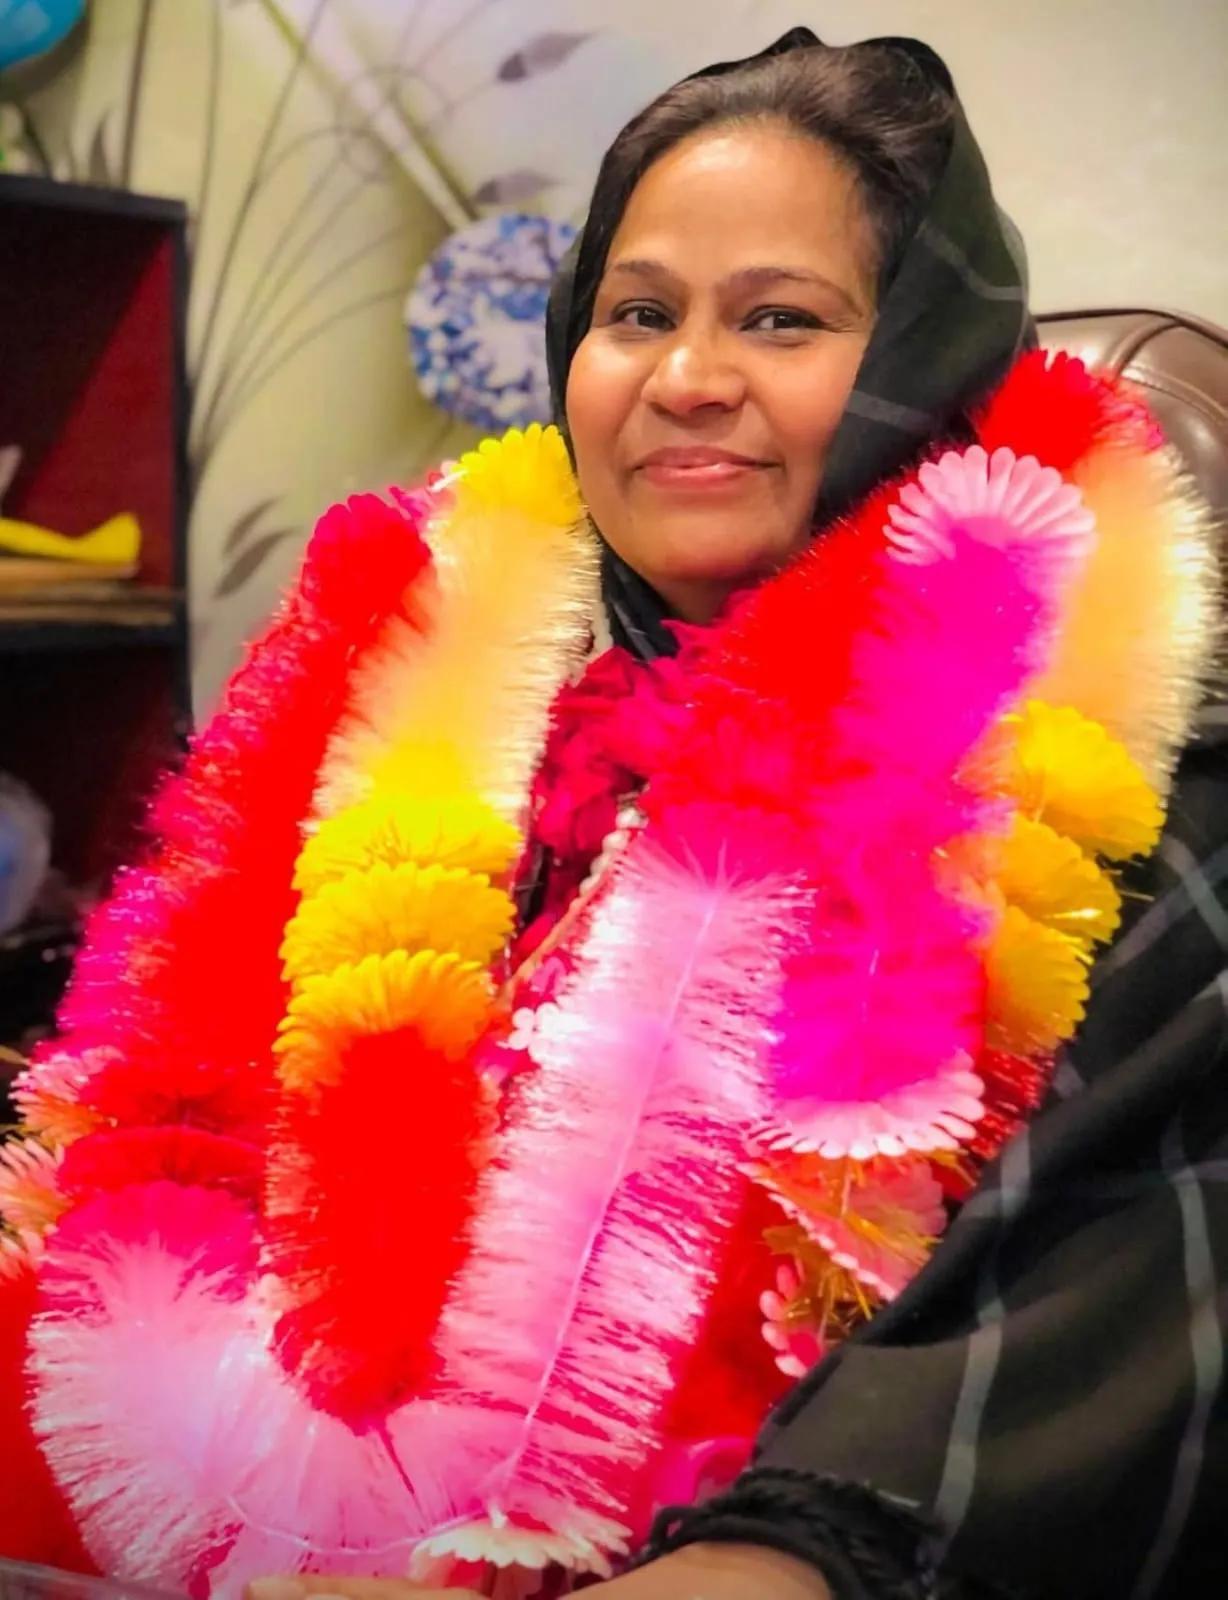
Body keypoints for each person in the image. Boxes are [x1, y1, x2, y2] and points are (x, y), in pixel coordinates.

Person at [2, 27, 1223, 1600]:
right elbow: (164, 1123)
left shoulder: (1103, 778)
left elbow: (1012, 1409)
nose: (686, 379)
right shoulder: (429, 660)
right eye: (638, 314)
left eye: (781, 319)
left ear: (927, 354)